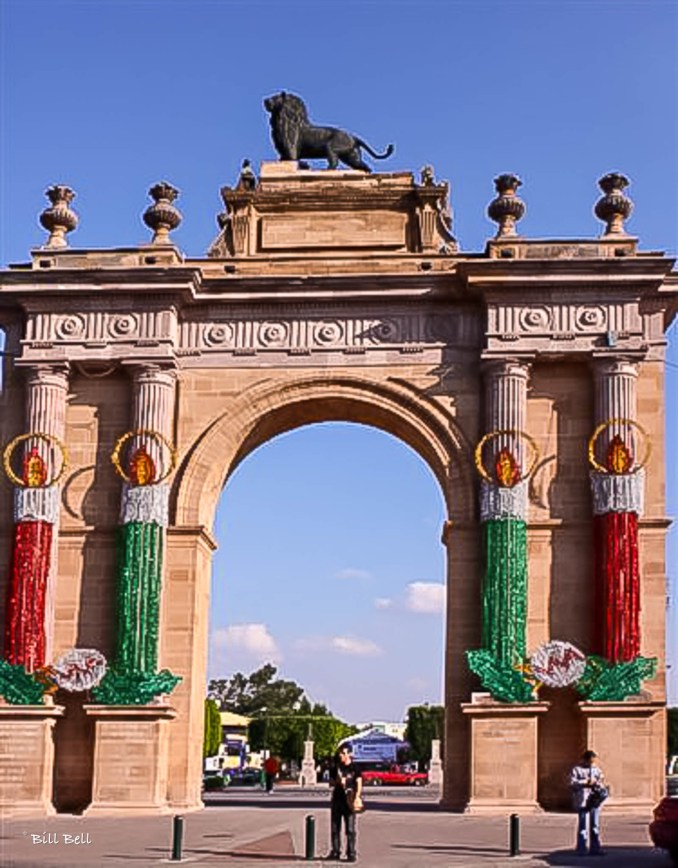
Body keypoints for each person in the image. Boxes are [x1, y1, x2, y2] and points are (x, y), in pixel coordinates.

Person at [326, 745, 363, 862]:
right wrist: (337, 781)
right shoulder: (335, 767)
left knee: (350, 829)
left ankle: (351, 852)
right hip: (337, 800)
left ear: (349, 754)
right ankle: (335, 851)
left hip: (349, 801)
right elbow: (331, 783)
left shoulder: (355, 768)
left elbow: (359, 783)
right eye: (339, 753)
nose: (340, 755)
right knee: (335, 828)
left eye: (343, 753)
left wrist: (357, 797)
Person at [569, 749, 608, 856]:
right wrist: (585, 782)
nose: (592, 764)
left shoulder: (596, 770)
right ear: (585, 760)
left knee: (594, 825)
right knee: (583, 825)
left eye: (593, 762)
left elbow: (601, 781)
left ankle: (595, 848)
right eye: (590, 761)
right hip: (583, 800)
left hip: (594, 800)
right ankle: (581, 848)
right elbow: (572, 783)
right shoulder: (577, 770)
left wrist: (597, 783)